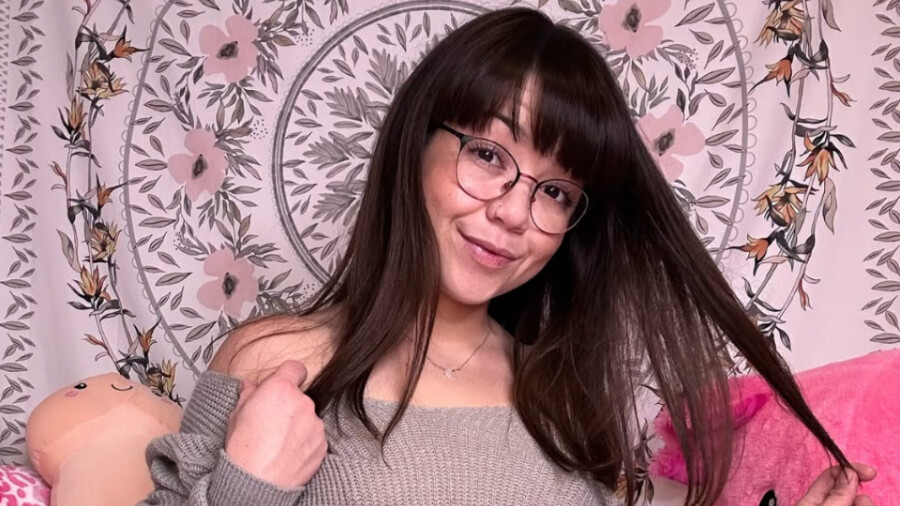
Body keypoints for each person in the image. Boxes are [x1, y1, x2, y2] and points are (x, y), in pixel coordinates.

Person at [140, 7, 876, 506]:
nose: (514, 213)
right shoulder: (276, 362)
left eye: (555, 192)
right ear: (415, 144)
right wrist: (244, 489)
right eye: (489, 155)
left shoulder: (560, 398)